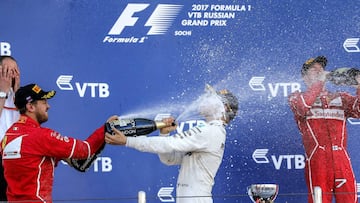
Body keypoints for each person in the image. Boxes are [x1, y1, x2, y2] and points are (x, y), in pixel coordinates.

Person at [105, 85, 239, 203]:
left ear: (223, 108)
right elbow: (169, 159)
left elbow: (169, 144)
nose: (205, 98)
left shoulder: (212, 131)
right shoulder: (211, 132)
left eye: (211, 97)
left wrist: (128, 141)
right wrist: (164, 134)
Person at [0, 83, 116, 203]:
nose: (48, 106)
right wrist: (105, 129)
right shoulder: (41, 136)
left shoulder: (7, 137)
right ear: (30, 107)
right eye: (44, 102)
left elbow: (30, 161)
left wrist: (60, 157)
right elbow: (86, 150)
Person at [288, 56, 359, 203]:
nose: (320, 72)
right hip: (317, 159)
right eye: (314, 71)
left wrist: (359, 86)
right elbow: (303, 107)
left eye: (321, 70)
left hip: (341, 158)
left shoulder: (340, 98)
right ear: (305, 78)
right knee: (319, 201)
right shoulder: (297, 97)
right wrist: (319, 82)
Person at [0, 55, 20, 201]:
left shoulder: (19, 97)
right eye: (7, 70)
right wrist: (2, 92)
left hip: (15, 161)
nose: (11, 75)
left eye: (15, 71)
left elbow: (26, 126)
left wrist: (18, 94)